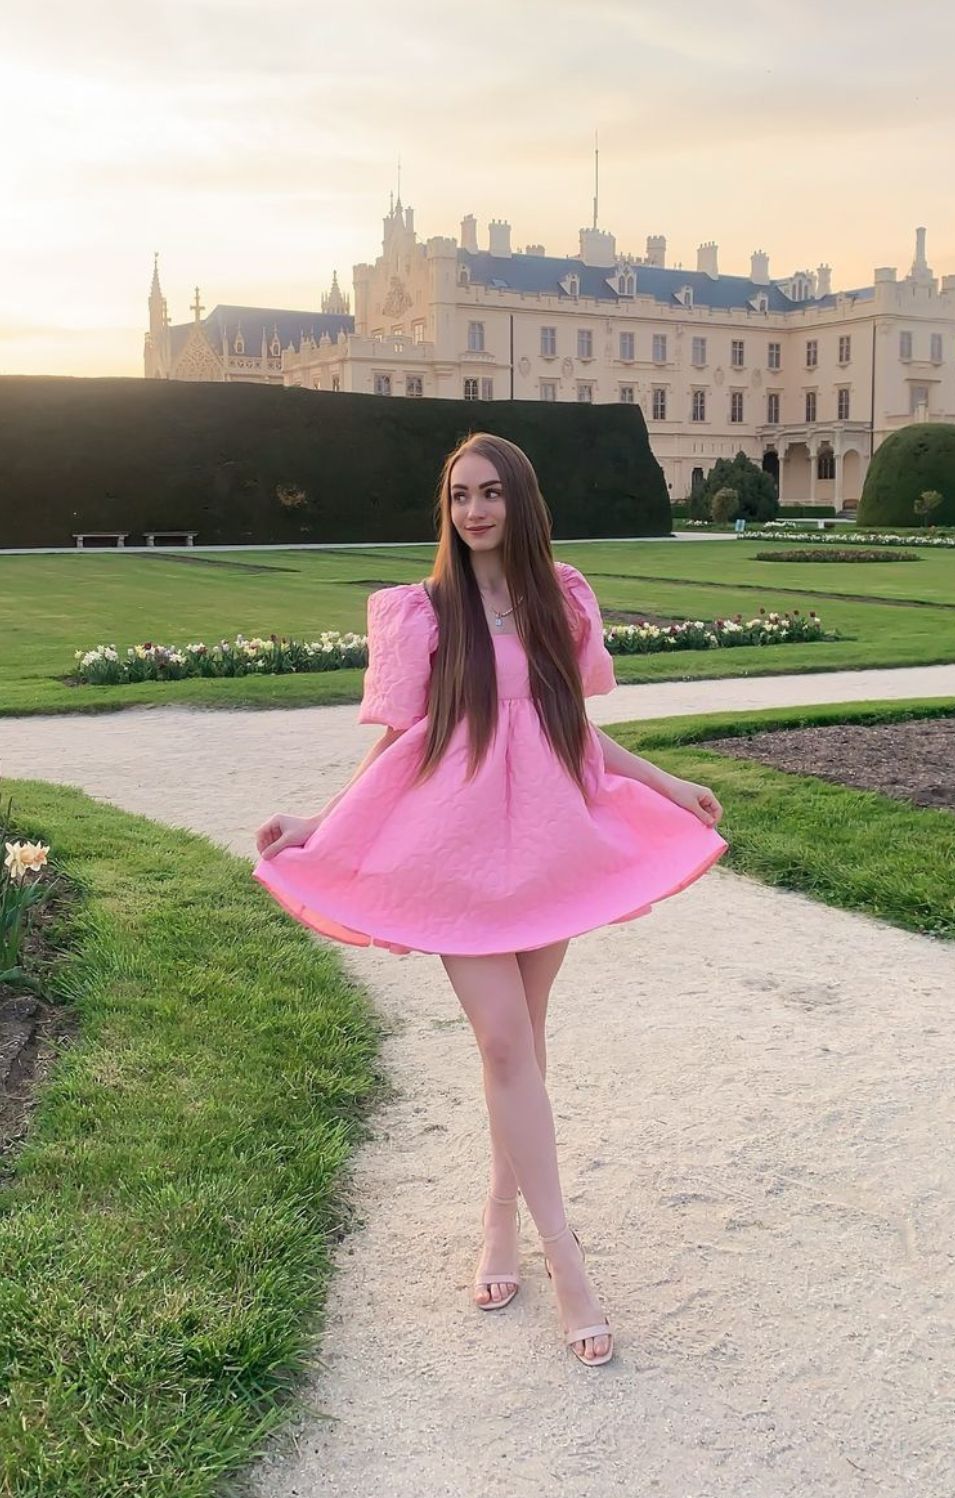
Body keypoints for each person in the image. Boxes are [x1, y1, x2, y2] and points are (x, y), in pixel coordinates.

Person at [252, 432, 728, 1368]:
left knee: (528, 1044)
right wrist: (322, 819)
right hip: (455, 855)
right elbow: (394, 744)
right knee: (503, 1040)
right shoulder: (423, 613)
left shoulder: (560, 600)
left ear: (520, 500)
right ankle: (569, 1262)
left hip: (546, 847)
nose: (473, 510)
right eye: (460, 495)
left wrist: (668, 784)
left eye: (490, 493)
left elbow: (573, 732)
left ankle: (501, 1218)